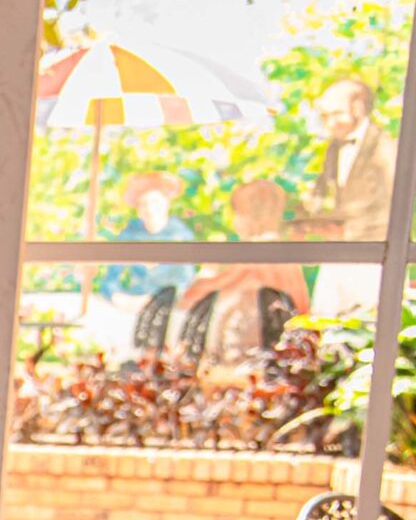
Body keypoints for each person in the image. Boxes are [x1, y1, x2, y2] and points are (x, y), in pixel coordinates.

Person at [179, 180, 308, 363]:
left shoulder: (257, 253)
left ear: (248, 215)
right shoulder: (285, 255)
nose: (234, 222)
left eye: (237, 214)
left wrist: (208, 270)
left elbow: (193, 297)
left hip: (255, 359)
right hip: (282, 356)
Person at [296, 77, 393, 316]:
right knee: (325, 321)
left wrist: (346, 229)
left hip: (371, 256)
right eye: (324, 116)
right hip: (338, 251)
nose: (329, 123)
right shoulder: (333, 148)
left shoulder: (386, 147)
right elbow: (328, 196)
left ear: (359, 108)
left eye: (336, 114)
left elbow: (391, 208)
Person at [94, 172, 195, 301]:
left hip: (168, 304)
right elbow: (110, 281)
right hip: (132, 303)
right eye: (144, 204)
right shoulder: (129, 235)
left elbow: (184, 282)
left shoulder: (179, 235)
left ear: (166, 204)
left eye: (155, 202)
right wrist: (120, 299)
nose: (150, 209)